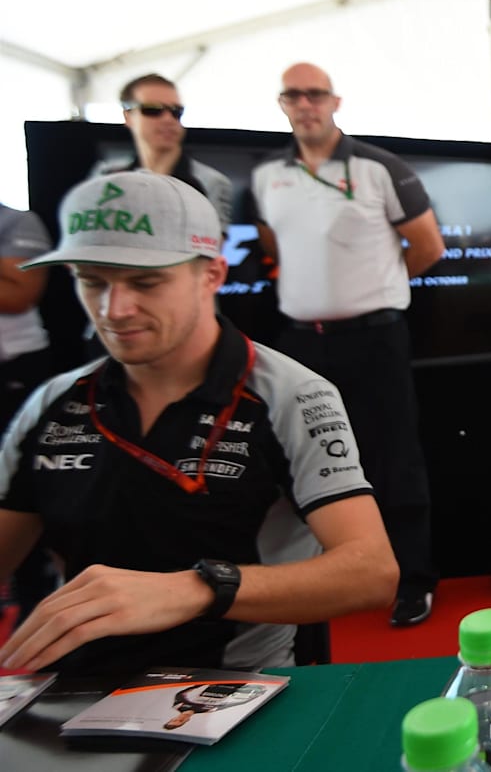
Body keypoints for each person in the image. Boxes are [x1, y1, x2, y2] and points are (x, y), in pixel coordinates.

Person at [0, 172, 397, 674]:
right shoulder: (53, 402)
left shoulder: (290, 394)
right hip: (71, 686)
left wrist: (198, 588)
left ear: (212, 274)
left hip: (232, 685)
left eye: (146, 282)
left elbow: (372, 573)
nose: (114, 309)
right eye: (91, 280)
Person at [251, 62, 445, 627]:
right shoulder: (267, 177)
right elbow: (274, 244)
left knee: (392, 459)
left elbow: (428, 245)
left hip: (374, 337)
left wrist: (376, 286)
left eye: (315, 94)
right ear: (282, 104)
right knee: (295, 461)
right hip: (298, 344)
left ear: (335, 101)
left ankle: (412, 581)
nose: (305, 104)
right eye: (294, 95)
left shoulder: (378, 167)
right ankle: (311, 583)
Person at [0, 204, 56, 623]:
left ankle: (32, 601)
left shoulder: (16, 221)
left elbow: (20, 294)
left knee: (25, 486)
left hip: (15, 370)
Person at [96, 73, 233, 226]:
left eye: (176, 111)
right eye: (152, 110)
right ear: (128, 116)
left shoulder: (211, 182)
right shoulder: (106, 175)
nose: (168, 119)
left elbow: (211, 246)